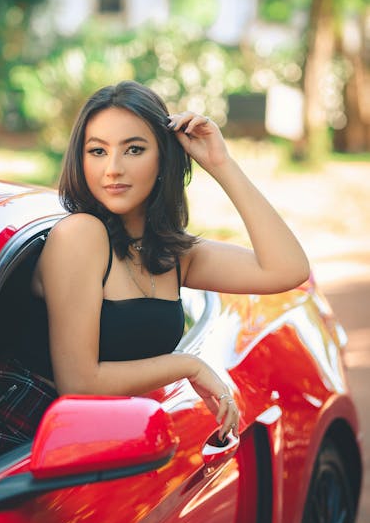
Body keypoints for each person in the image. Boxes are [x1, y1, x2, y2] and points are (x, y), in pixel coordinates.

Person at [31, 80, 310, 442]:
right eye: (97, 151)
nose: (112, 168)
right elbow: (79, 384)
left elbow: (288, 269)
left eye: (133, 149)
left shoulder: (172, 255)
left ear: (164, 157)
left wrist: (220, 163)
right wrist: (187, 365)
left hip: (117, 442)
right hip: (29, 446)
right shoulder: (79, 235)